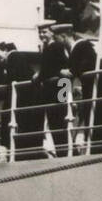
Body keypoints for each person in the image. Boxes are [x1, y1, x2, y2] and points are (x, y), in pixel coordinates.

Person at [34, 22, 72, 156]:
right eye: (40, 32)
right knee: (55, 119)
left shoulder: (55, 46)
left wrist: (38, 77)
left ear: (51, 33)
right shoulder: (48, 47)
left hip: (59, 86)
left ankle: (63, 151)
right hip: (57, 86)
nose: (41, 35)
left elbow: (52, 68)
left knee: (58, 118)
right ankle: (61, 150)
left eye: (44, 32)